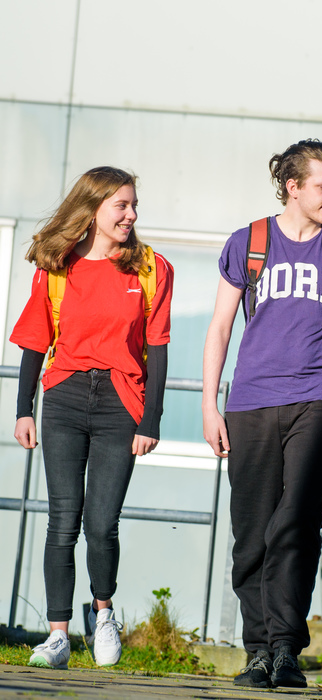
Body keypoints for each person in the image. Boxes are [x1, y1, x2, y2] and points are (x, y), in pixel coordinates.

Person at [202, 139, 322, 689]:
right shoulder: (248, 243)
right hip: (250, 401)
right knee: (252, 531)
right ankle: (256, 649)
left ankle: (285, 649)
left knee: (297, 521)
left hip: (318, 397)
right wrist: (209, 404)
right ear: (292, 186)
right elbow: (222, 326)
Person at [11, 166, 174, 669]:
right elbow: (36, 341)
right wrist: (23, 410)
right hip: (62, 397)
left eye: (133, 205)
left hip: (120, 403)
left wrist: (151, 420)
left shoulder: (150, 268)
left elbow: (159, 349)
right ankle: (57, 635)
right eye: (121, 205)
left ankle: (103, 614)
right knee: (62, 521)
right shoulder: (57, 266)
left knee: (102, 524)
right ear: (94, 209)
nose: (131, 214)